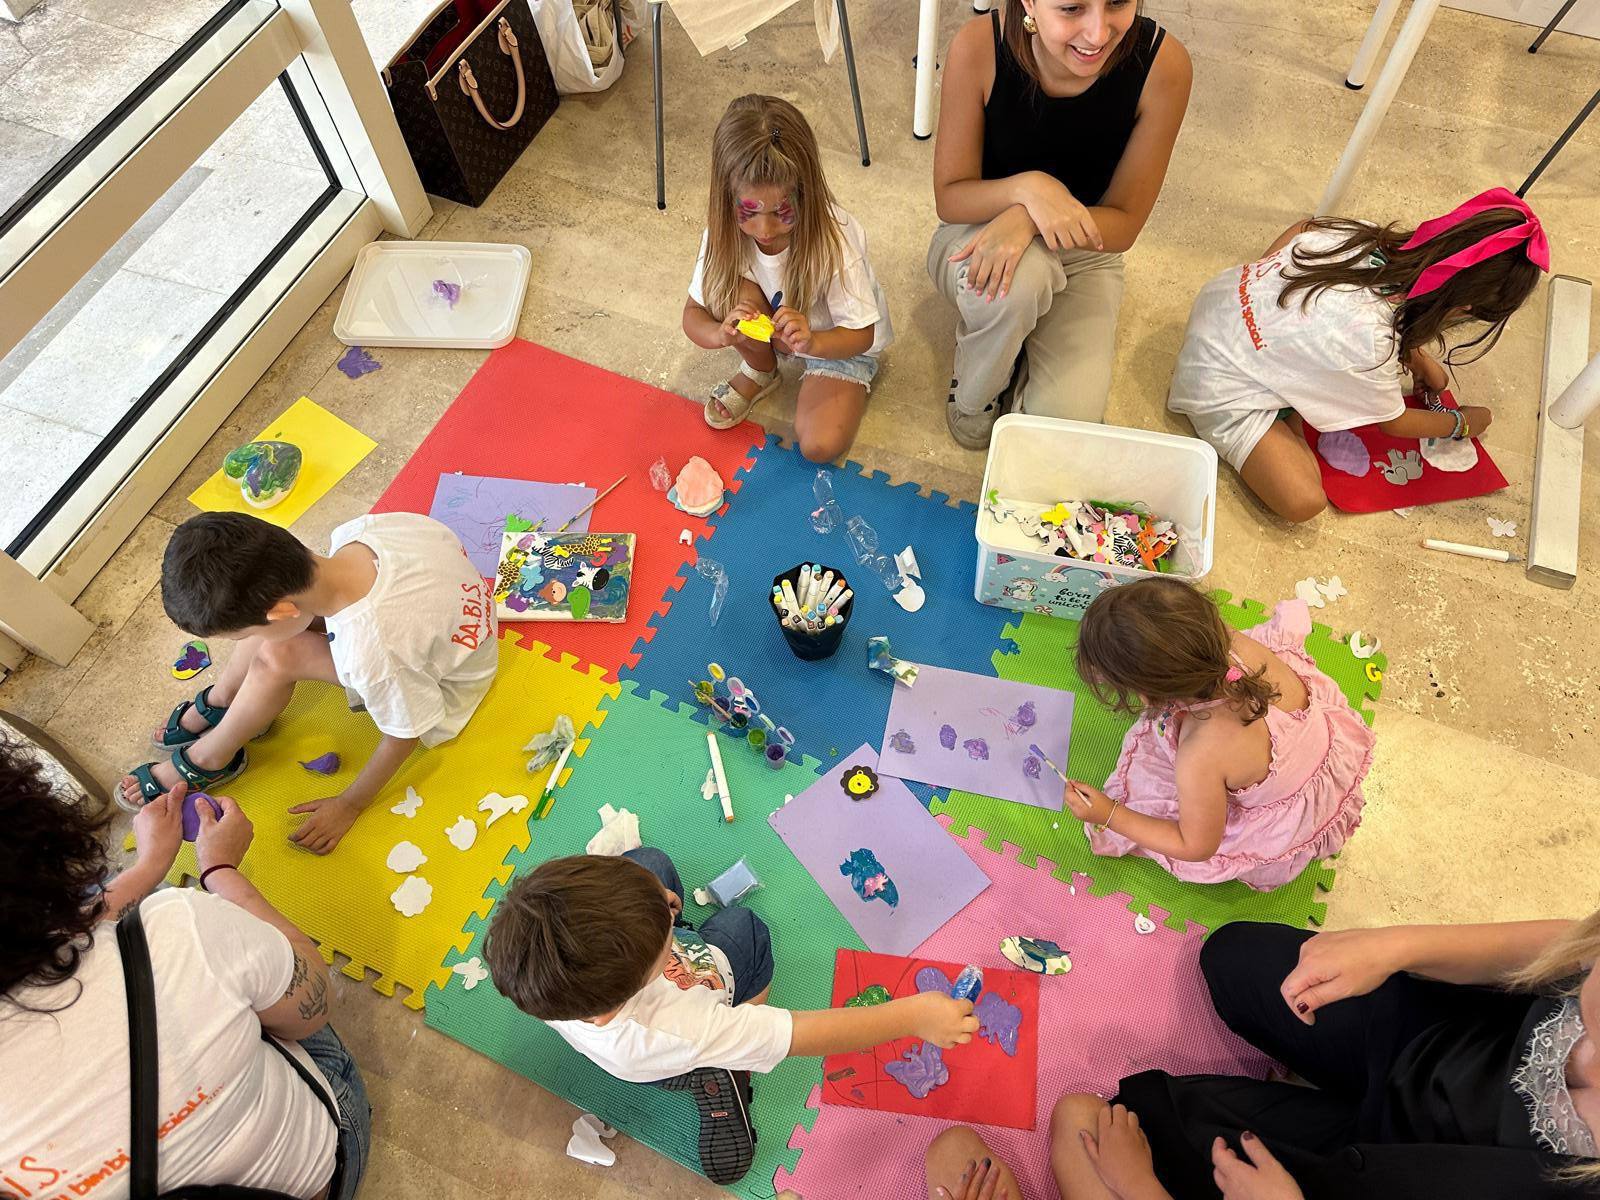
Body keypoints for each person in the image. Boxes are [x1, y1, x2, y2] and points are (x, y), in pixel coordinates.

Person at [0, 742, 370, 1199]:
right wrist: (220, 870)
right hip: (319, 1177)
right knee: (273, 981)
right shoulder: (178, 926)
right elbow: (313, 1008)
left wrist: (150, 864)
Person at [483, 848, 977, 1185]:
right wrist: (913, 1015)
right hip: (685, 1054)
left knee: (648, 862)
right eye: (666, 940)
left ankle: (710, 1034)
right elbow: (806, 1033)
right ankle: (727, 1071)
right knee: (745, 928)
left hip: (634, 1045)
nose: (671, 915)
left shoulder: (530, 966)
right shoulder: (685, 1025)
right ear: (629, 989)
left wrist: (649, 899)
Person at [1038, 914, 1600, 1198]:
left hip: (1391, 1178)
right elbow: (1565, 945)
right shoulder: (1582, 968)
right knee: (1235, 958)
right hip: (1446, 1043)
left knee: (1116, 1123)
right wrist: (1397, 946)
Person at [119, 510, 498, 854]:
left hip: (444, 684)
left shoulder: (376, 656)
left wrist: (351, 804)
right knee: (270, 635)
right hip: (433, 624)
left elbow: (406, 731)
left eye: (237, 637)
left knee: (276, 653)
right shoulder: (361, 531)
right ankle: (224, 700)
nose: (242, 643)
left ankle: (211, 757)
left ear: (283, 609)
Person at [1168, 186, 1548, 522]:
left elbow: (1303, 228)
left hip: (1219, 308)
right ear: (1462, 309)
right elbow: (1392, 423)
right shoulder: (1370, 343)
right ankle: (1291, 408)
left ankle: (1294, 384)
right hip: (1215, 380)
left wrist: (1416, 358)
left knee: (1322, 364)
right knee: (1304, 501)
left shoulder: (1364, 237)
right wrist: (1461, 423)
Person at [928, 0, 1191, 449]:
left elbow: (1125, 224)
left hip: (1087, 252)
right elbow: (951, 198)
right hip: (976, 233)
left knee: (1063, 439)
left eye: (1118, 3)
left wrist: (1031, 216)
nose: (1098, 33)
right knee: (1017, 287)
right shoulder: (978, 48)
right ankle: (980, 385)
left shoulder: (1164, 66)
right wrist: (1028, 189)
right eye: (1071, 8)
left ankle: (1018, 341)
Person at [1065, 578, 1371, 888]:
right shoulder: (1235, 646)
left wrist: (1110, 814)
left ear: (1150, 695)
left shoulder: (1200, 753)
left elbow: (1195, 846)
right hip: (1320, 753)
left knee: (1146, 790)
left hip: (1288, 818)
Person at [681, 93, 893, 463]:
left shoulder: (835, 239)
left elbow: (863, 334)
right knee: (725, 290)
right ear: (726, 199)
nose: (764, 229)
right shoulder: (723, 231)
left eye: (781, 212)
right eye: (748, 212)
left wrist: (811, 344)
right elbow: (692, 315)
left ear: (805, 194)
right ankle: (761, 368)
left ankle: (789, 356)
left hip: (837, 343)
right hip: (783, 328)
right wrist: (721, 334)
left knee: (818, 445)